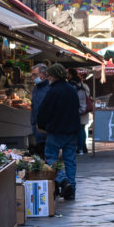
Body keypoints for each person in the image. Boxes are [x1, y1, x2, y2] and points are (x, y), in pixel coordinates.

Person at [37, 63, 80, 200]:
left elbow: (44, 111)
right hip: (72, 131)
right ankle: (71, 189)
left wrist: (42, 125)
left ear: (54, 75)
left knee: (51, 158)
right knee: (70, 160)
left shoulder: (53, 91)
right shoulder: (72, 90)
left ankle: (63, 180)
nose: (47, 78)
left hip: (56, 131)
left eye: (49, 75)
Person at [68, 69, 91, 154]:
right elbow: (88, 96)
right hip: (83, 109)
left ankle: (80, 147)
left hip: (77, 110)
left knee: (79, 130)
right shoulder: (83, 86)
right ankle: (83, 147)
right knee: (82, 129)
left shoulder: (71, 85)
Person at [29, 64, 49, 155]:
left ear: (42, 75)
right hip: (37, 129)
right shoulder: (36, 88)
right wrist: (33, 123)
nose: (32, 77)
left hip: (47, 130)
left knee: (48, 156)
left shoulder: (50, 88)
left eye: (34, 75)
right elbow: (34, 107)